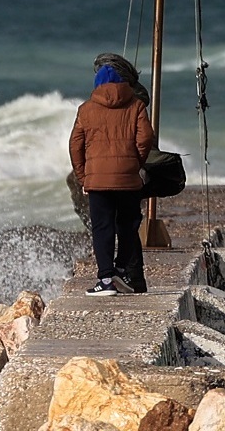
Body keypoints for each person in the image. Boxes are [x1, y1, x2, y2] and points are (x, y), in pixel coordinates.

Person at [69, 61, 155, 296]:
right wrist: (134, 162)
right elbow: (146, 138)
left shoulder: (86, 109)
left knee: (102, 227)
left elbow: (75, 146)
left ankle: (106, 279)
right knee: (128, 225)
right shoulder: (136, 105)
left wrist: (83, 176)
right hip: (128, 178)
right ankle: (121, 269)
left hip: (97, 180)